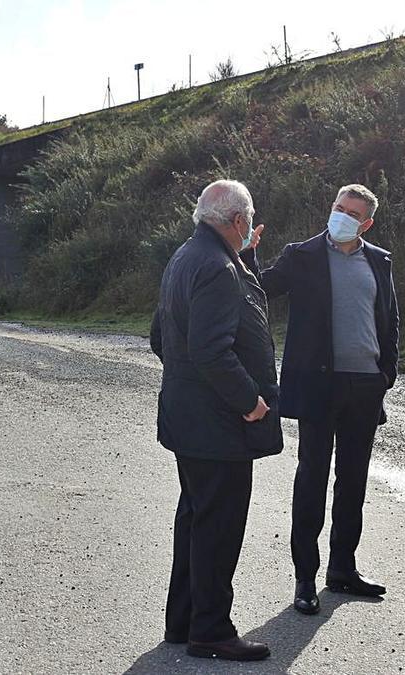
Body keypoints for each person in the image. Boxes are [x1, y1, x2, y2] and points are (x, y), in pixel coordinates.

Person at [241, 183, 399, 614]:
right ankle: (305, 577)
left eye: (352, 212)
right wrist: (246, 252)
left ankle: (343, 569)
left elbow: (389, 319)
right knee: (311, 478)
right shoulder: (302, 255)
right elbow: (260, 288)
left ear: (366, 222)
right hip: (317, 384)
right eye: (337, 207)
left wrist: (387, 372)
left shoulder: (378, 260)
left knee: (354, 481)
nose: (341, 215)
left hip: (365, 385)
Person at [150, 179, 283, 661]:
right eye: (249, 220)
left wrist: (245, 259)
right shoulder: (216, 268)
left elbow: (161, 338)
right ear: (238, 221)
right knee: (218, 526)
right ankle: (210, 629)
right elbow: (211, 349)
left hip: (191, 421)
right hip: (218, 426)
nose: (251, 228)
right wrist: (249, 401)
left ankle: (184, 621)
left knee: (196, 519)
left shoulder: (188, 256)